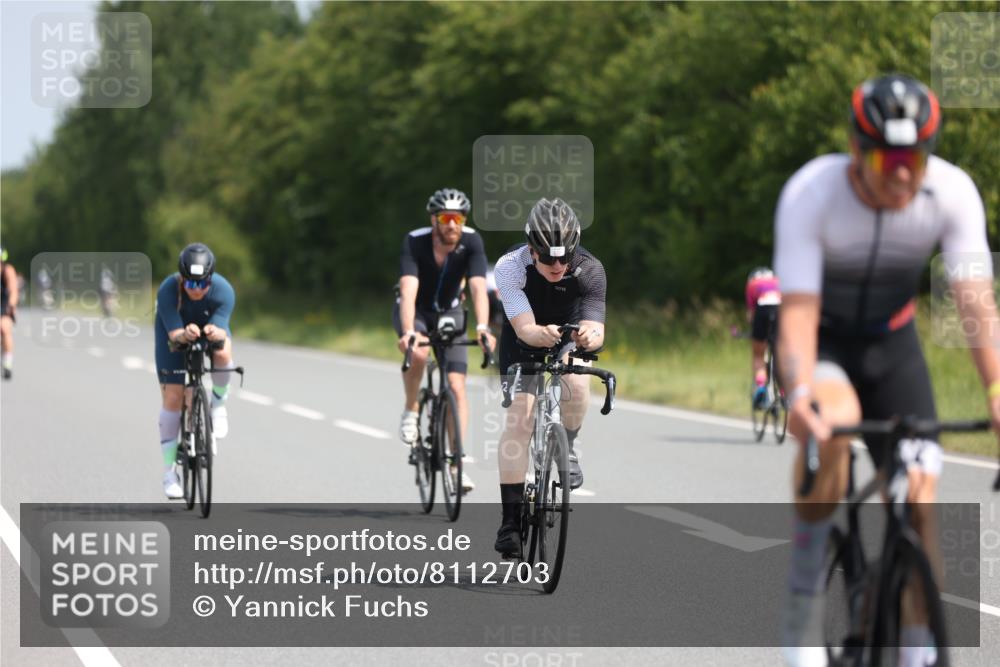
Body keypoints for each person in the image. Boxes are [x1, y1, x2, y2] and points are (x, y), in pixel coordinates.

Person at [774, 74, 1000, 666]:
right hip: (822, 344)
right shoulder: (811, 193)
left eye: (914, 159)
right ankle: (801, 613)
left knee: (920, 498)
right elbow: (796, 314)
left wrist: (998, 388)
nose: (901, 173)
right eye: (886, 157)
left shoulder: (951, 193)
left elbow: (975, 302)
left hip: (893, 346)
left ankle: (916, 649)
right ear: (856, 149)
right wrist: (797, 392)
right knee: (835, 427)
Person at [493, 198, 607, 556]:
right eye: (548, 258)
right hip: (522, 335)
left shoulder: (590, 269)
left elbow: (596, 328)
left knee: (577, 380)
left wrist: (588, 336)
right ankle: (510, 523)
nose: (558, 265)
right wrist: (537, 333)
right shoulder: (510, 267)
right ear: (531, 250)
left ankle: (567, 445)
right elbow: (525, 328)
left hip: (568, 332)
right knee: (520, 418)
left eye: (565, 257)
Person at [395, 188, 496, 494]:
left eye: (458, 218)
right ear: (434, 219)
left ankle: (456, 463)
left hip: (451, 313)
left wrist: (482, 326)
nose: (453, 224)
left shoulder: (472, 241)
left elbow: (479, 287)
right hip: (418, 312)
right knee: (421, 353)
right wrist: (409, 330)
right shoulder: (415, 241)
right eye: (446, 218)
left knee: (456, 387)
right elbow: (408, 288)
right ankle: (412, 409)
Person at [154, 243, 237, 499]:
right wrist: (184, 333)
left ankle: (218, 404)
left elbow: (222, 330)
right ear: (181, 279)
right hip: (173, 336)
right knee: (174, 397)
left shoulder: (223, 290)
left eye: (203, 284)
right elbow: (175, 336)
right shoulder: (168, 289)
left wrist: (215, 332)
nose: (197, 290)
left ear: (211, 279)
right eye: (191, 285)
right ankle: (169, 473)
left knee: (223, 353)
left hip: (208, 330)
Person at [745, 266, 781, 407]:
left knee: (758, 355)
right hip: (780, 310)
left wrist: (754, 333)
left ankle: (760, 388)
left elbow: (751, 316)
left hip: (762, 310)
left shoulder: (752, 285)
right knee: (781, 354)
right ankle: (784, 390)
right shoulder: (778, 281)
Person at [1, 247, 19, 380]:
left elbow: (13, 290)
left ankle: (7, 363)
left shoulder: (8, 270)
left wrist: (11, 305)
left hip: (4, 304)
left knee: (4, 328)